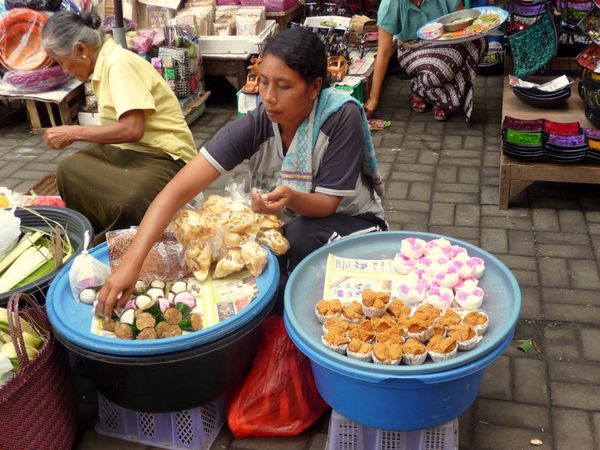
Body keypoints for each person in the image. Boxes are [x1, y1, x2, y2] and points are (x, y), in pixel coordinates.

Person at [97, 27, 387, 317]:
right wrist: (132, 263)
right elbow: (176, 192)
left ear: (314, 87)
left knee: (297, 236)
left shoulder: (340, 117)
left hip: (352, 222)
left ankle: (302, 309)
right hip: (293, 222)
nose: (269, 97)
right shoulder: (259, 123)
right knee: (252, 248)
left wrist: (290, 199)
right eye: (263, 82)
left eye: (284, 86)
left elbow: (326, 204)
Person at [41, 11, 197, 244]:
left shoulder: (118, 64)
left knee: (131, 199)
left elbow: (133, 129)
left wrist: (73, 132)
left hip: (167, 157)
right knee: (69, 170)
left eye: (61, 62)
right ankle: (95, 235)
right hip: (133, 151)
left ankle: (123, 244)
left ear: (81, 50)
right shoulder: (106, 64)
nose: (64, 70)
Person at [364, 0, 487, 124]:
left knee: (477, 43)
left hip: (445, 42)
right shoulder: (391, 3)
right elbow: (383, 53)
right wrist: (373, 99)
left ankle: (439, 95)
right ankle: (420, 88)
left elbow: (462, 21)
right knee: (440, 69)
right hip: (411, 49)